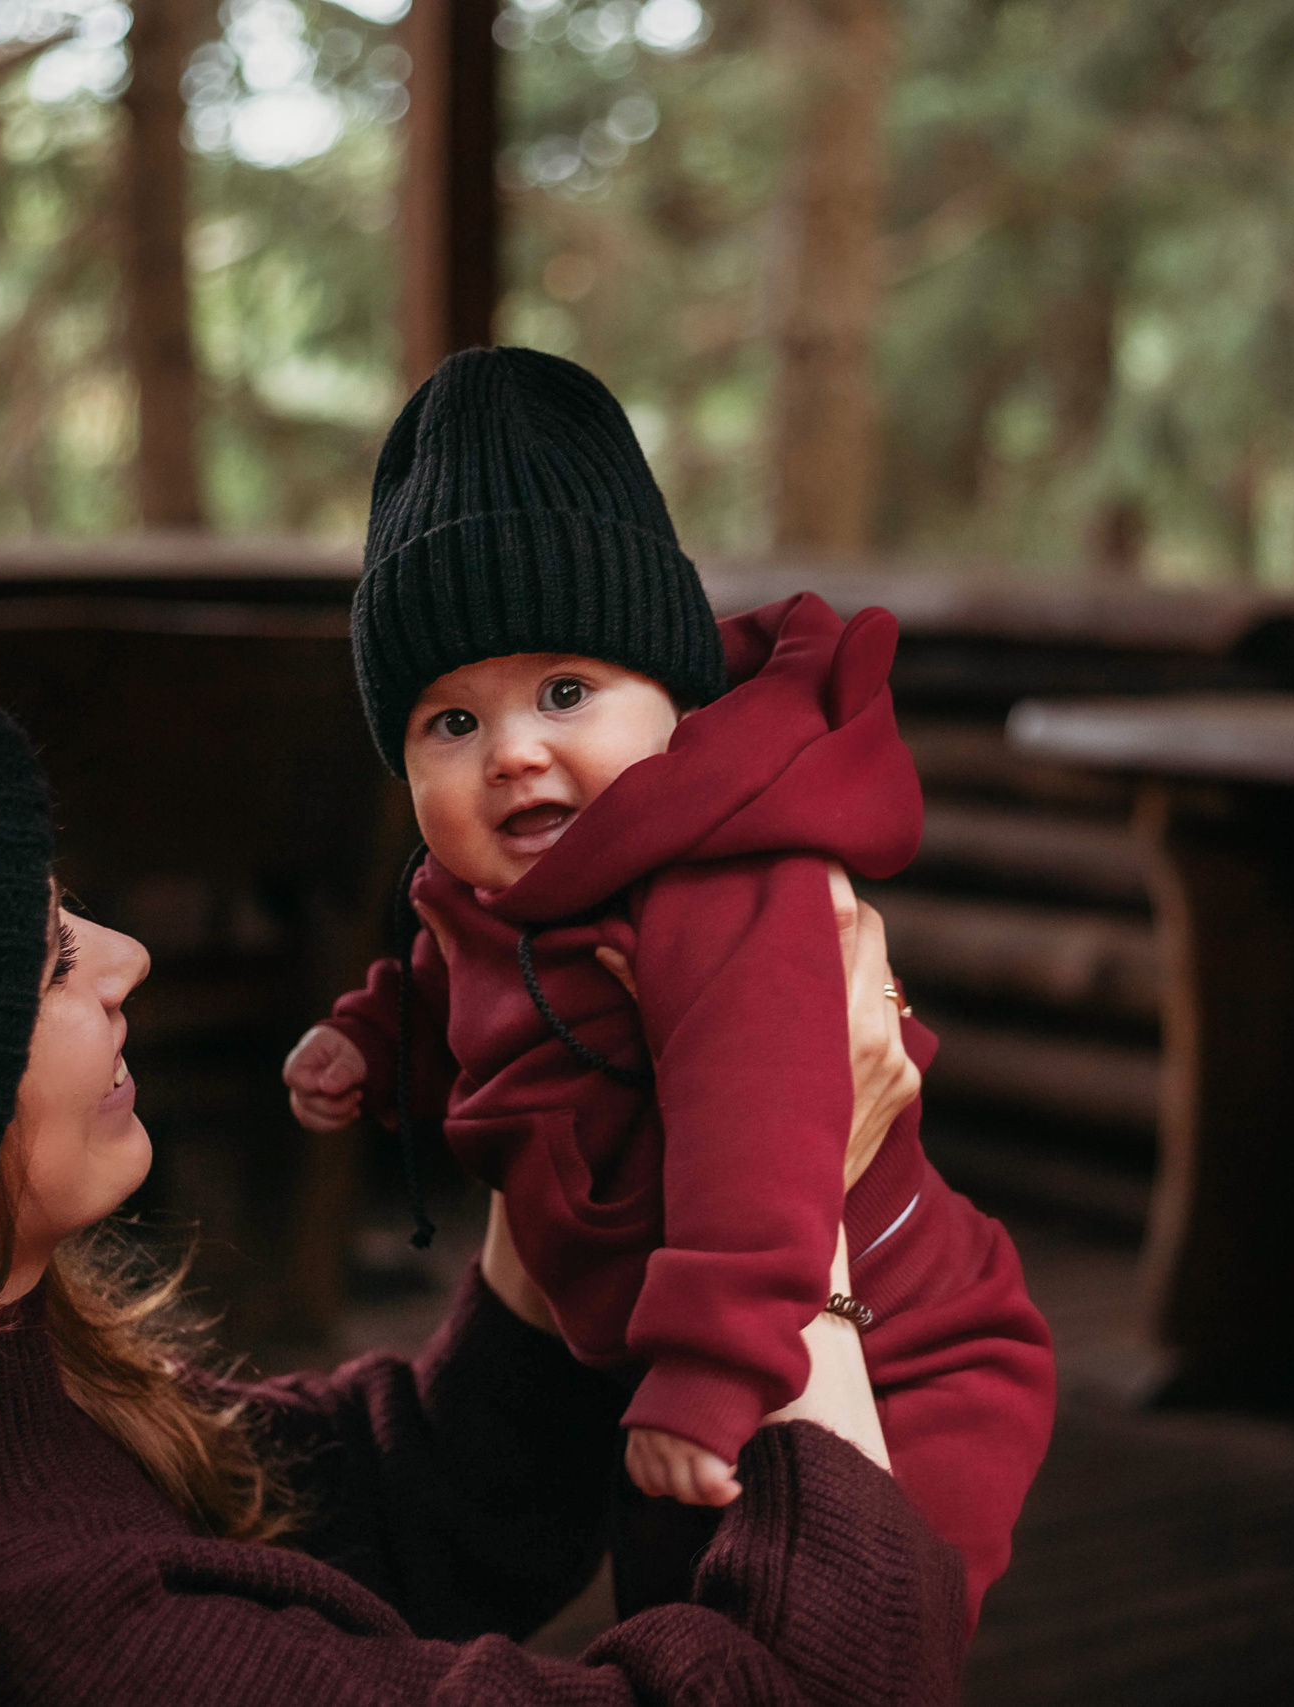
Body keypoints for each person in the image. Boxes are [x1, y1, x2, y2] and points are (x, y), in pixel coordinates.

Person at [0, 669, 971, 1704]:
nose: (125, 957)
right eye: (48, 958)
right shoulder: (4, 1617)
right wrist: (795, 1211)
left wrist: (571, 1151)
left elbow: (370, 1507)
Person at [280, 347, 1055, 1619]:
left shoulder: (720, 882)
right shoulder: (495, 892)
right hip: (671, 1346)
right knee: (677, 1615)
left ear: (676, 704)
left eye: (565, 693)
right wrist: (377, 1045)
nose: (512, 753)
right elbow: (458, 985)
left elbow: (760, 1129)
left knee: (843, 1626)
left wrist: (708, 1367)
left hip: (899, 1349)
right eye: (451, 723)